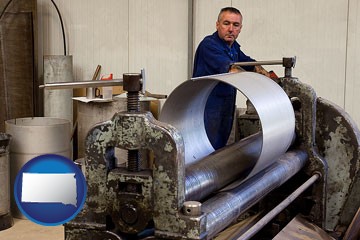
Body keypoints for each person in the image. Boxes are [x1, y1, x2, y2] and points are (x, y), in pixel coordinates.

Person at [192, 6, 269, 150]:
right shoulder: (209, 45)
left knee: (220, 150)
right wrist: (258, 86)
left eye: (236, 25)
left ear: (240, 28)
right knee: (206, 151)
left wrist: (269, 77)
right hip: (207, 108)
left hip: (225, 107)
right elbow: (233, 69)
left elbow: (249, 63)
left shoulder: (233, 48)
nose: (231, 29)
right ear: (217, 25)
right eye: (226, 23)